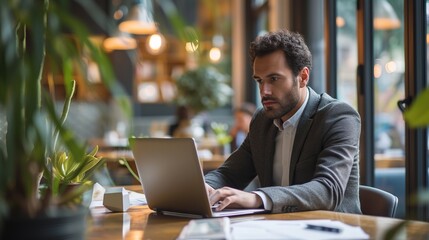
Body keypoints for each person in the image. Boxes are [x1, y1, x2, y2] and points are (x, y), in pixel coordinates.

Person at [205, 29, 361, 214]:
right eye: (260, 81)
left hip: (333, 230)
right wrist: (203, 188)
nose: (264, 91)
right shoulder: (262, 120)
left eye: (274, 79)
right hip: (276, 229)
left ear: (303, 77)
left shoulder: (338, 117)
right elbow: (229, 174)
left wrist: (257, 198)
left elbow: (327, 191)